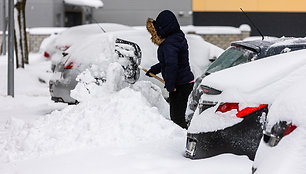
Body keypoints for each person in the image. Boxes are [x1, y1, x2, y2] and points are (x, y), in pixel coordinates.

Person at [146, 10, 194, 129]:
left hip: (180, 86)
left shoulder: (169, 43)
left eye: (158, 27)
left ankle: (182, 143)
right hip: (185, 83)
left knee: (177, 119)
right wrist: (154, 70)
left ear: (164, 27)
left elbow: (172, 65)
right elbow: (168, 62)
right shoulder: (177, 37)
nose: (156, 31)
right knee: (180, 117)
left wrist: (170, 84)